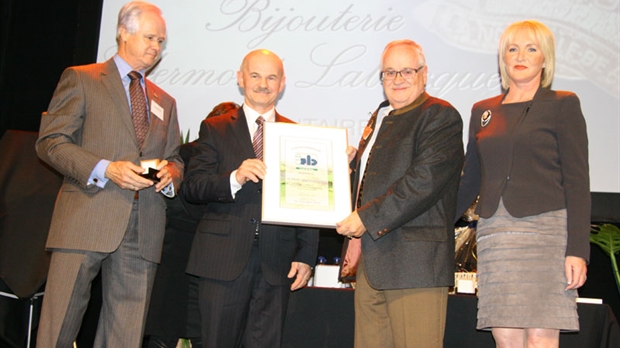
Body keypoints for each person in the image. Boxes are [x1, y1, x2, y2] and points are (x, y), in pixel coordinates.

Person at [35, 1, 183, 347]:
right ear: (123, 32)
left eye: (161, 41)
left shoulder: (167, 100)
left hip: (143, 225)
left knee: (126, 335)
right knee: (60, 324)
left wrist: (170, 176)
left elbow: (175, 158)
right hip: (87, 216)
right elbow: (51, 142)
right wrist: (106, 169)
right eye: (149, 37)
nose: (155, 47)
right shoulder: (82, 79)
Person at [455, 20, 589, 348]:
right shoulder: (482, 111)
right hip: (496, 237)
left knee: (541, 339)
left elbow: (577, 180)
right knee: (506, 340)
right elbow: (470, 179)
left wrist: (577, 251)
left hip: (547, 236)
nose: (521, 56)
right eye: (512, 49)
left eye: (531, 49)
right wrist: (433, 225)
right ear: (503, 58)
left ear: (546, 58)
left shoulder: (563, 104)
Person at [180, 49, 319, 348]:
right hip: (222, 260)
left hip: (276, 261)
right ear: (240, 79)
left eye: (272, 77)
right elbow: (192, 187)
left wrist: (306, 255)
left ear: (282, 83)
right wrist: (234, 177)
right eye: (255, 75)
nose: (263, 83)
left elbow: (306, 199)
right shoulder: (214, 128)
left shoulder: (297, 134)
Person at [336, 39, 464, 347]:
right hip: (372, 264)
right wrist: (349, 168)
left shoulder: (440, 116)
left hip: (414, 266)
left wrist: (366, 218)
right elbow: (377, 179)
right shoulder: (380, 117)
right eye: (389, 72)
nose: (397, 79)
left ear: (424, 73)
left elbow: (422, 182)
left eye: (406, 71)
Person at [144, 101, 240, 348]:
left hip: (180, 248)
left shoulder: (185, 153)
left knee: (167, 325)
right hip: (198, 249)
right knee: (198, 327)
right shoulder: (203, 155)